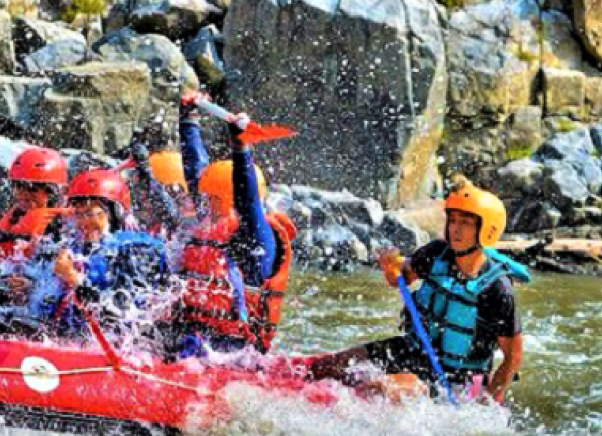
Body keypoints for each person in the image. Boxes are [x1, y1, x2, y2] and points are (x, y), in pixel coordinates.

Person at [301, 182, 529, 403]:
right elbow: (400, 279)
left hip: (454, 378)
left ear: (486, 230)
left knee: (379, 389)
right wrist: (390, 267)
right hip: (413, 349)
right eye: (453, 221)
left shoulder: (497, 290)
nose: (456, 229)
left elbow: (513, 359)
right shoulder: (436, 253)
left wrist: (489, 402)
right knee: (332, 365)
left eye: (466, 223)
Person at [172, 96, 296, 357]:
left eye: (208, 198)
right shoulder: (210, 225)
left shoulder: (255, 234)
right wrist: (188, 120)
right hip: (195, 341)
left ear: (222, 198)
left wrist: (241, 149)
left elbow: (246, 197)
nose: (199, 201)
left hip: (236, 353)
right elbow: (196, 171)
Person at [0, 168, 170, 343]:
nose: (83, 223)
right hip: (72, 341)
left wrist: (73, 278)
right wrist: (31, 289)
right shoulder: (76, 247)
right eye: (78, 214)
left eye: (90, 213)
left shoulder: (137, 250)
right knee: (4, 325)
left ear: (115, 213)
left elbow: (125, 316)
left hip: (123, 348)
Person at [0, 147, 69, 300]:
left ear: (52, 192)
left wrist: (32, 286)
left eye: (33, 188)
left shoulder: (63, 229)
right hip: (9, 298)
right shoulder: (15, 218)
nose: (24, 194)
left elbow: (61, 283)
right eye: (19, 186)